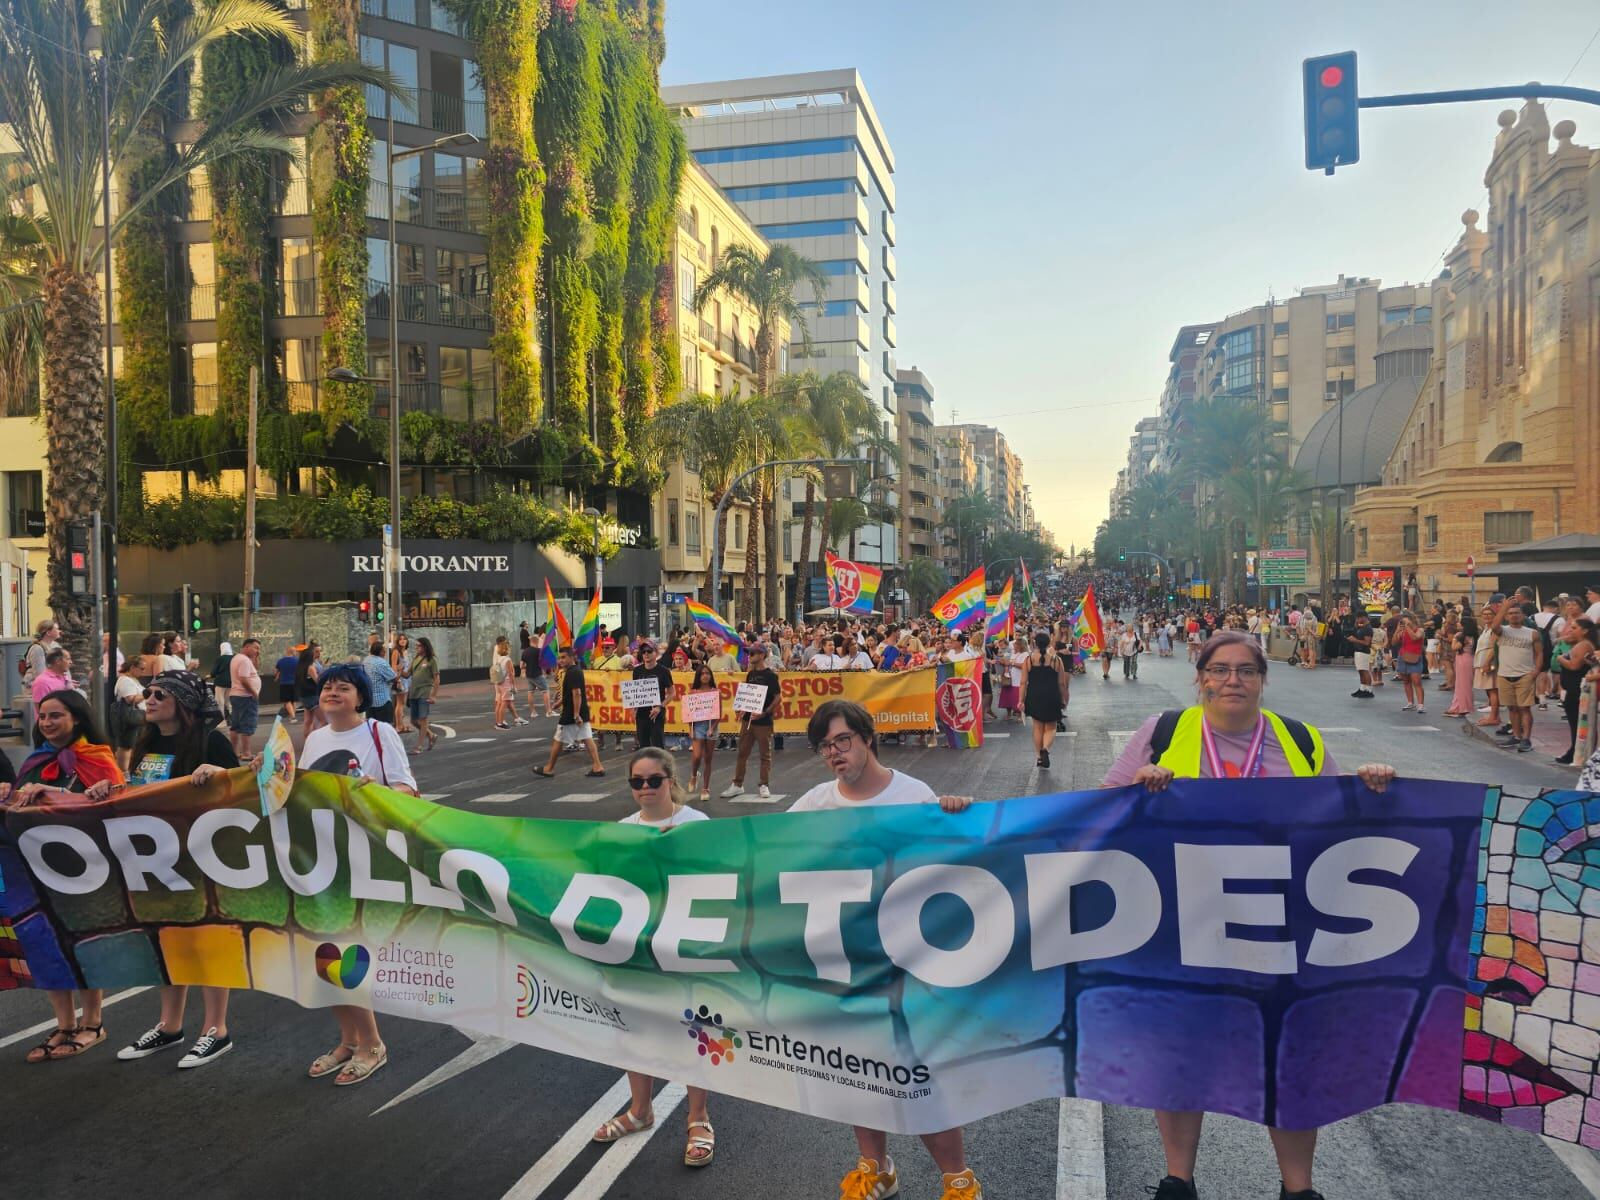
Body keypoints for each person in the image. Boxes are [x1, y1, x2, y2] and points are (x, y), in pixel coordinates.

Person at [1102, 631, 1395, 1200]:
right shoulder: (1161, 735)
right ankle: (1177, 1181)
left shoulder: (1300, 740)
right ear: (1201, 677)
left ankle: (1298, 1188)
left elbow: (1340, 817)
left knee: (1288, 1057)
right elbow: (1095, 816)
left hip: (1281, 929)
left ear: (1263, 680)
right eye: (1219, 669)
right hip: (1186, 925)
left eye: (1245, 671)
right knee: (1183, 1055)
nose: (1231, 680)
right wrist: (1138, 791)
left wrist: (1372, 786)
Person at [787, 700, 980, 1200]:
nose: (833, 753)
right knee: (857, 1073)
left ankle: (957, 1178)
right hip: (845, 965)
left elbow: (951, 870)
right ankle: (875, 1169)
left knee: (920, 1074)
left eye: (842, 741)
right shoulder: (814, 804)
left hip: (907, 964)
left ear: (867, 738)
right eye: (825, 746)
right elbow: (756, 852)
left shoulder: (914, 796)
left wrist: (954, 818)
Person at [93, 670, 240, 1069]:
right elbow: (143, 790)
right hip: (155, 863)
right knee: (168, 944)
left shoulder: (212, 742)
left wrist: (220, 775)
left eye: (159, 694)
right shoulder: (148, 742)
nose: (149, 699)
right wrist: (113, 789)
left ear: (184, 702)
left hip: (202, 861)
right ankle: (169, 1025)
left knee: (207, 943)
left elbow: (244, 791)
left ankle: (216, 1030)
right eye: (148, 693)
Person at [592, 747, 718, 1166]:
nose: (645, 788)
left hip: (684, 944)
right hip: (638, 945)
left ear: (671, 780)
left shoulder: (695, 823)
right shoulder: (623, 828)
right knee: (634, 1027)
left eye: (653, 780)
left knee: (692, 1029)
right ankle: (639, 1111)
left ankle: (698, 1117)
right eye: (637, 782)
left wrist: (679, 850)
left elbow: (718, 875)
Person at [297, 663, 415, 1086]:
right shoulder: (314, 739)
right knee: (321, 953)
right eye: (327, 687)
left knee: (348, 952)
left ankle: (372, 1043)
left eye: (343, 687)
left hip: (365, 861)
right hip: (320, 860)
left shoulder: (380, 734)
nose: (332, 693)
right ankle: (347, 1040)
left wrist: (374, 790)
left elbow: (407, 789)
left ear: (361, 698)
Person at [1, 689, 115, 1062]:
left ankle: (93, 1022)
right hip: (34, 869)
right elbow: (19, 807)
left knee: (82, 940)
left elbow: (117, 804)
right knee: (44, 940)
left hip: (83, 870)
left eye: (56, 716)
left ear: (77, 718)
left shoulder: (98, 758)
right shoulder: (35, 759)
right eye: (43, 716)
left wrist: (55, 793)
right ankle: (64, 1024)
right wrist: (9, 794)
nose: (47, 723)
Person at [533, 645, 607, 779]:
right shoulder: (574, 671)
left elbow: (577, 693)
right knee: (587, 739)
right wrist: (560, 702)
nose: (560, 661)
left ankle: (549, 768)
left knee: (558, 739)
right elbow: (570, 693)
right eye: (559, 658)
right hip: (578, 712)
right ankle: (597, 766)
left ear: (572, 658)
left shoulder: (573, 672)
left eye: (563, 657)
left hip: (572, 714)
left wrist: (576, 714)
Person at [721, 643, 780, 799]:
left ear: (762, 655)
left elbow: (778, 697)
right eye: (749, 653)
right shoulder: (750, 674)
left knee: (764, 755)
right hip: (748, 720)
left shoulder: (771, 675)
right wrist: (740, 708)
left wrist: (764, 712)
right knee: (742, 753)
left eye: (753, 653)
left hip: (763, 721)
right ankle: (737, 784)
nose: (750, 655)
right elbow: (747, 694)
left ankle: (764, 785)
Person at [1491, 600, 1541, 752]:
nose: (1514, 616)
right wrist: (1504, 607)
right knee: (1512, 708)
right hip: (1504, 674)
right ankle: (1516, 736)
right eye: (1510, 613)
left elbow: (1539, 653)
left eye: (1517, 613)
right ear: (1506, 616)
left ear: (1523, 615)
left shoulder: (1532, 633)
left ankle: (1526, 738)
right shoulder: (1503, 631)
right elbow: (1494, 626)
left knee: (1524, 708)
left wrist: (1536, 671)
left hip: (1525, 674)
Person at [1022, 631, 1067, 768]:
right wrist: (1063, 698)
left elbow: (1023, 682)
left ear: (1035, 643)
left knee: (1037, 727)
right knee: (1051, 727)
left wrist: (1020, 700)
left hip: (1034, 695)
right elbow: (1062, 683)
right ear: (1049, 643)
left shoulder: (1028, 660)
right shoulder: (1056, 660)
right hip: (1052, 694)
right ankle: (1045, 749)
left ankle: (1038, 756)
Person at [1555, 618, 1597, 764]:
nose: (1570, 631)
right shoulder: (1581, 644)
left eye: (1574, 628)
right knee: (1577, 722)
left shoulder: (1584, 645)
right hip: (1574, 688)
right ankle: (1576, 750)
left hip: (1577, 689)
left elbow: (1574, 666)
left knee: (1577, 722)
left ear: (1585, 631)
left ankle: (1576, 752)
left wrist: (1560, 659)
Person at [685, 662, 720, 802]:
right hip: (698, 726)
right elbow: (689, 713)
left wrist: (712, 728)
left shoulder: (715, 692)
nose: (705, 676)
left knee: (708, 758)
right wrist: (690, 729)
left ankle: (706, 787)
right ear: (698, 676)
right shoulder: (693, 693)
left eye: (707, 673)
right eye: (702, 674)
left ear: (711, 676)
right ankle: (694, 775)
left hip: (711, 725)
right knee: (697, 755)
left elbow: (719, 714)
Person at [629, 641, 673, 750]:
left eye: (649, 651)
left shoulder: (663, 671)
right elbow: (636, 693)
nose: (646, 654)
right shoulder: (637, 671)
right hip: (641, 714)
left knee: (658, 746)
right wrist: (634, 710)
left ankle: (660, 767)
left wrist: (660, 707)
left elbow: (672, 693)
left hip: (656, 714)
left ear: (656, 653)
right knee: (644, 747)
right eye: (643, 652)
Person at [226, 637, 262, 758]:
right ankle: (246, 753)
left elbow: (256, 669)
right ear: (246, 647)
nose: (258, 651)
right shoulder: (244, 660)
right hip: (246, 696)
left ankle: (234, 752)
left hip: (237, 695)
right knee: (247, 724)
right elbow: (243, 678)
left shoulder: (238, 658)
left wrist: (256, 656)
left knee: (236, 725)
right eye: (256, 648)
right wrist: (253, 692)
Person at [109, 656, 147, 771]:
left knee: (131, 744)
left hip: (136, 716)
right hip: (129, 716)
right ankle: (123, 771)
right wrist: (146, 694)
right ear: (132, 667)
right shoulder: (125, 680)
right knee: (126, 745)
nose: (143, 671)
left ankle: (128, 769)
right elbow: (130, 699)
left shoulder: (132, 680)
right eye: (141, 668)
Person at [408, 637, 440, 753]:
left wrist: (433, 695)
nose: (416, 648)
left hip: (424, 692)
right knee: (413, 721)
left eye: (419, 646)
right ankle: (431, 735)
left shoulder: (431, 660)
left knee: (423, 719)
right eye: (416, 646)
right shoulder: (415, 659)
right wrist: (400, 671)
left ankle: (419, 746)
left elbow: (437, 679)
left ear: (425, 647)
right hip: (413, 693)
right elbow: (407, 674)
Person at [1393, 613, 1427, 714]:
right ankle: (1410, 702)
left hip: (1415, 657)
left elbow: (1415, 638)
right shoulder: (1403, 631)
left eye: (1407, 621)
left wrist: (1408, 627)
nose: (1405, 623)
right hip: (1403, 656)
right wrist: (1397, 630)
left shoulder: (1420, 630)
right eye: (1403, 621)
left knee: (1417, 681)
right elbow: (1394, 642)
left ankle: (1420, 705)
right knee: (1406, 681)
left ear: (1412, 620)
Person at [361, 640, 399, 726]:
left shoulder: (366, 660)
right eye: (384, 650)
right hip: (382, 701)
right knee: (384, 728)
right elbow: (394, 677)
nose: (385, 652)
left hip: (369, 700)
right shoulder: (381, 663)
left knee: (371, 728)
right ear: (381, 651)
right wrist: (399, 669)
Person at [490, 635, 524, 730]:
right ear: (507, 649)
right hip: (506, 684)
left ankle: (498, 721)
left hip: (499, 682)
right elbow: (511, 674)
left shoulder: (499, 659)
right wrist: (513, 685)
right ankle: (500, 723)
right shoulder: (508, 660)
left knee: (499, 702)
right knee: (504, 703)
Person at [31, 646, 76, 711]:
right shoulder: (42, 682)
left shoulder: (65, 677)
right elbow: (40, 709)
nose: (71, 662)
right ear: (58, 661)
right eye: (68, 659)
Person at [295, 642, 325, 736]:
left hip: (305, 695)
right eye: (315, 652)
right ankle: (315, 741)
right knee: (323, 721)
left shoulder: (301, 666)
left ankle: (307, 743)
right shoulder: (311, 667)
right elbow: (318, 681)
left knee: (308, 721)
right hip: (313, 695)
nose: (317, 654)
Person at [521, 628, 551, 718]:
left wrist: (527, 666)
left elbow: (521, 665)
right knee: (545, 691)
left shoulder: (525, 651)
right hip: (537, 674)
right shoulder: (539, 651)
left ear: (530, 642)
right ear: (537, 642)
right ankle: (548, 711)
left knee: (530, 692)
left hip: (529, 675)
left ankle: (533, 712)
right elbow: (543, 663)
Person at [22, 617, 60, 686]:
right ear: (48, 633)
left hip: (52, 684)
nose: (59, 631)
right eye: (57, 629)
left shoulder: (56, 646)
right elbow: (40, 674)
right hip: (35, 687)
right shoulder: (37, 649)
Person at [1347, 611, 1375, 699]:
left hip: (1364, 651)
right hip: (1358, 651)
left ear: (1364, 617)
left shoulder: (1368, 628)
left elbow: (1367, 643)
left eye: (1359, 618)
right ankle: (1362, 688)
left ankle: (1369, 690)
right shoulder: (1362, 627)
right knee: (1361, 671)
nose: (1358, 620)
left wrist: (1355, 640)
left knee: (1365, 670)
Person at [390, 634, 413, 734]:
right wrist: (397, 680)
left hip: (406, 679)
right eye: (400, 639)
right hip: (400, 680)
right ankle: (398, 726)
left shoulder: (405, 651)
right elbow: (394, 666)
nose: (403, 641)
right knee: (400, 704)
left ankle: (401, 724)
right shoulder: (396, 652)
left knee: (402, 704)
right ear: (397, 641)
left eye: (404, 639)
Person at [273, 644, 300, 722]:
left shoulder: (281, 661)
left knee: (287, 700)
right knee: (293, 700)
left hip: (284, 683)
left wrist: (276, 677)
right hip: (295, 683)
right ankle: (292, 716)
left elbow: (276, 671)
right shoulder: (297, 661)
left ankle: (293, 717)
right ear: (293, 652)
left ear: (286, 652)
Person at [210, 641, 236, 721]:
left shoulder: (220, 659)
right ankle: (233, 718)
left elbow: (213, 672)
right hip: (231, 683)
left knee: (219, 701)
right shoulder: (234, 658)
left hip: (220, 683)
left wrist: (211, 675)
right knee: (229, 702)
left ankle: (221, 720)